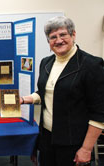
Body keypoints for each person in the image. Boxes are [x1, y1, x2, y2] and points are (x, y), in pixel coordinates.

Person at [20, 16, 104, 166]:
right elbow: (44, 92)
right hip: (47, 138)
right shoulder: (46, 62)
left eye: (63, 34)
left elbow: (99, 112)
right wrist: (24, 99)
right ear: (48, 42)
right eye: (53, 37)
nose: (58, 40)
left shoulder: (91, 65)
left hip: (74, 143)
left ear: (73, 35)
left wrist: (86, 149)